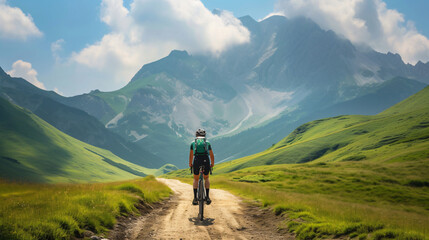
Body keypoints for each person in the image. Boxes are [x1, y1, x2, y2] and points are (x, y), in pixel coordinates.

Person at [189, 128, 214, 205]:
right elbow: (211, 155)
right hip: (205, 160)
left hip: (197, 160)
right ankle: (207, 197)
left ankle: (195, 198)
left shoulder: (193, 143)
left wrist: (190, 164)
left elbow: (191, 155)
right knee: (206, 178)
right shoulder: (207, 143)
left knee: (196, 179)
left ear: (196, 135)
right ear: (204, 135)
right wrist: (212, 163)